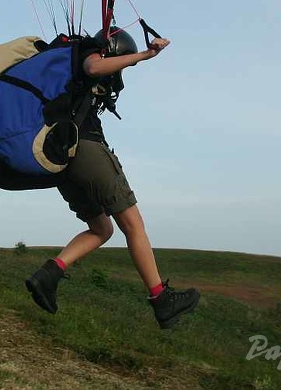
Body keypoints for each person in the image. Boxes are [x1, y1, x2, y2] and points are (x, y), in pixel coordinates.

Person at [25, 28, 201, 329]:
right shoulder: (89, 53)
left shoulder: (67, 75)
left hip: (64, 157)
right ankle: (162, 300)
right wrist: (144, 56)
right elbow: (94, 66)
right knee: (134, 224)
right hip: (88, 150)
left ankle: (48, 276)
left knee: (101, 228)